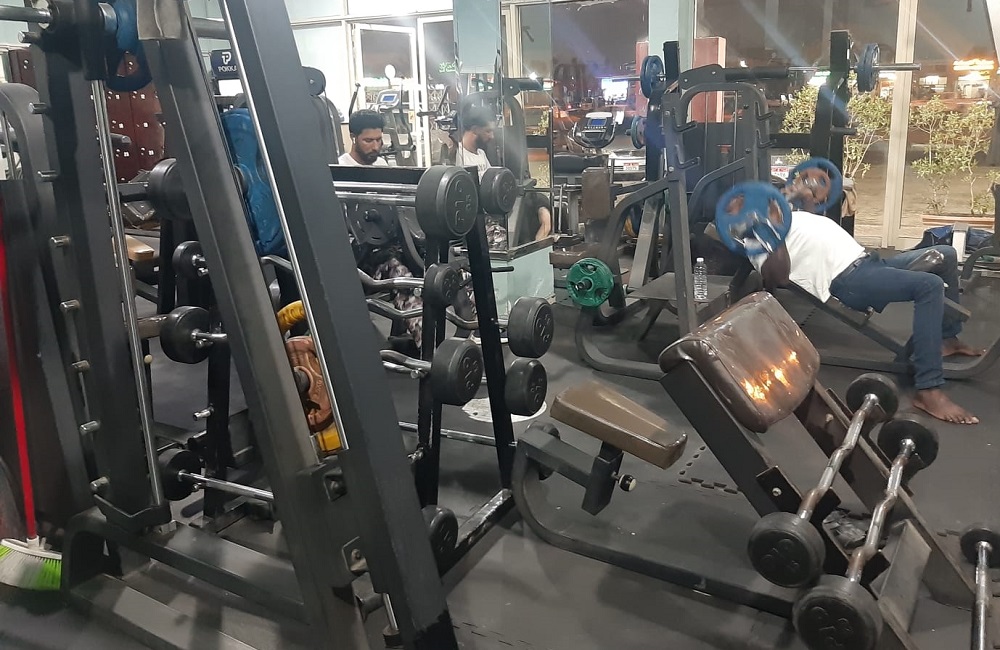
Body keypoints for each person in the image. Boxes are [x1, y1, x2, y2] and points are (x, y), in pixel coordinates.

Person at [749, 198, 982, 425]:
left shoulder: (793, 217)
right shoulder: (755, 239)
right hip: (850, 280)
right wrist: (772, 229)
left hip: (870, 262)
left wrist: (808, 199)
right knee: (929, 286)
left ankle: (947, 338)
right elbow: (778, 276)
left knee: (946, 253)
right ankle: (928, 389)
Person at [456, 106, 552, 243]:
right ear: (475, 129)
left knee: (535, 203)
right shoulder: (458, 156)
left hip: (494, 211)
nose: (491, 136)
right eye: (488, 131)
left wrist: (541, 206)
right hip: (479, 218)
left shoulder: (481, 154)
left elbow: (496, 186)